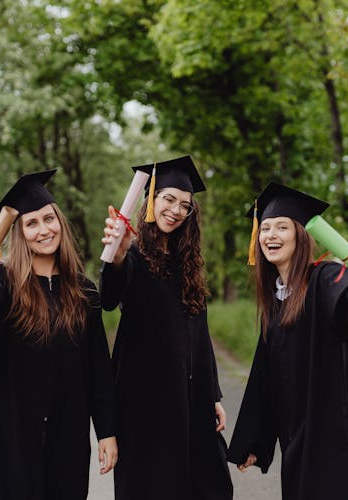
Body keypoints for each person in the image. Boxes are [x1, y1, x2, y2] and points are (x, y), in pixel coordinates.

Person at [227, 182, 348, 499]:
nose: (271, 236)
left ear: (300, 235)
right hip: (301, 435)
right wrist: (254, 440)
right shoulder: (276, 298)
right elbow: (266, 375)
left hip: (340, 431)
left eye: (282, 227)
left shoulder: (327, 277)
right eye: (265, 228)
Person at [0, 170, 117, 499]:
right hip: (9, 434)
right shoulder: (2, 281)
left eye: (49, 219)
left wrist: (107, 432)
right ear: (20, 233)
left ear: (61, 222)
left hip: (66, 433)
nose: (43, 230)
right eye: (32, 223)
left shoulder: (83, 291)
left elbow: (97, 366)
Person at [100, 156, 233, 500]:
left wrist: (212, 394)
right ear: (152, 200)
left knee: (206, 482)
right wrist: (116, 255)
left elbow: (200, 336)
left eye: (184, 206)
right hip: (144, 401)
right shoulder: (132, 255)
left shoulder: (187, 264)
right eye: (168, 199)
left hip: (189, 398)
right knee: (152, 484)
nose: (175, 210)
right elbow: (109, 298)